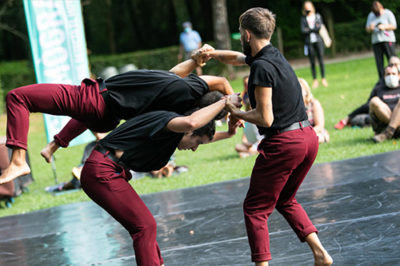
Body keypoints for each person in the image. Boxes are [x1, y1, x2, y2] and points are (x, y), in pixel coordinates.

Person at [196, 7, 332, 266]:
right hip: (308, 138)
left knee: (255, 209)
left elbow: (265, 118)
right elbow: (237, 58)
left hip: (285, 143)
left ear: (247, 35)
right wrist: (211, 54)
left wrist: (234, 110)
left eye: (239, 33)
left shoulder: (261, 67)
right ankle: (320, 254)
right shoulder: (274, 56)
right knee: (285, 199)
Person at [0, 45, 234, 184]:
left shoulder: (187, 90)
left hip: (98, 98)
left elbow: (221, 81)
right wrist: (194, 61)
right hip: (107, 114)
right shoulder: (176, 103)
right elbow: (172, 75)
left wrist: (234, 109)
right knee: (86, 113)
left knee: (18, 97)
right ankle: (52, 146)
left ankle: (18, 161)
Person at [80, 96, 241, 266]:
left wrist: (230, 133)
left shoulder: (173, 133)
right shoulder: (166, 121)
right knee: (145, 226)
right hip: (101, 170)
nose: (194, 148)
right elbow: (193, 123)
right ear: (187, 131)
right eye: (197, 142)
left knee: (145, 225)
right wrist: (225, 101)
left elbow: (198, 132)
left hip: (106, 170)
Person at [335, 56, 400, 130]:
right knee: (370, 107)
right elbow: (368, 104)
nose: (393, 67)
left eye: (396, 64)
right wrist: (349, 117)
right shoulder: (379, 87)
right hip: (384, 115)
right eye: (391, 64)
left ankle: (392, 128)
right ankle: (394, 127)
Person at [366, 1, 397, 79]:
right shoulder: (371, 15)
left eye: (378, 13)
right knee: (379, 63)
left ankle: (396, 76)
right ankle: (382, 80)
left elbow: (394, 26)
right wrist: (371, 28)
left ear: (381, 8)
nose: (377, 15)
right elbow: (367, 29)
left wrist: (384, 27)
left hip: (387, 40)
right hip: (376, 41)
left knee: (392, 60)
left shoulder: (388, 13)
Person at [369, 65, 400, 142]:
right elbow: (367, 105)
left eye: (393, 74)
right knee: (374, 100)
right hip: (384, 120)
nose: (391, 76)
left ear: (399, 75)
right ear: (384, 76)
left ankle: (388, 132)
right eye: (388, 74)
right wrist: (350, 116)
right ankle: (394, 129)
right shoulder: (378, 89)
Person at [301, 1, 328, 89]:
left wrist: (309, 29)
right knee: (312, 62)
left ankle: (323, 78)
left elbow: (319, 27)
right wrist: (313, 29)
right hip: (309, 42)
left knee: (321, 60)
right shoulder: (303, 19)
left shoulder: (317, 16)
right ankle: (315, 79)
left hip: (318, 41)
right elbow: (303, 30)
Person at [235, 76, 263, 158]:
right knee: (237, 147)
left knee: (248, 149)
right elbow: (244, 139)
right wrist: (247, 144)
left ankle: (250, 152)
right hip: (252, 144)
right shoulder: (244, 95)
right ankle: (250, 151)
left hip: (259, 142)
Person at [299, 78, 330, 143]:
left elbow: (319, 126)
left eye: (300, 88)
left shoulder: (314, 104)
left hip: (315, 132)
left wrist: (305, 135)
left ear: (306, 91)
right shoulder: (293, 107)